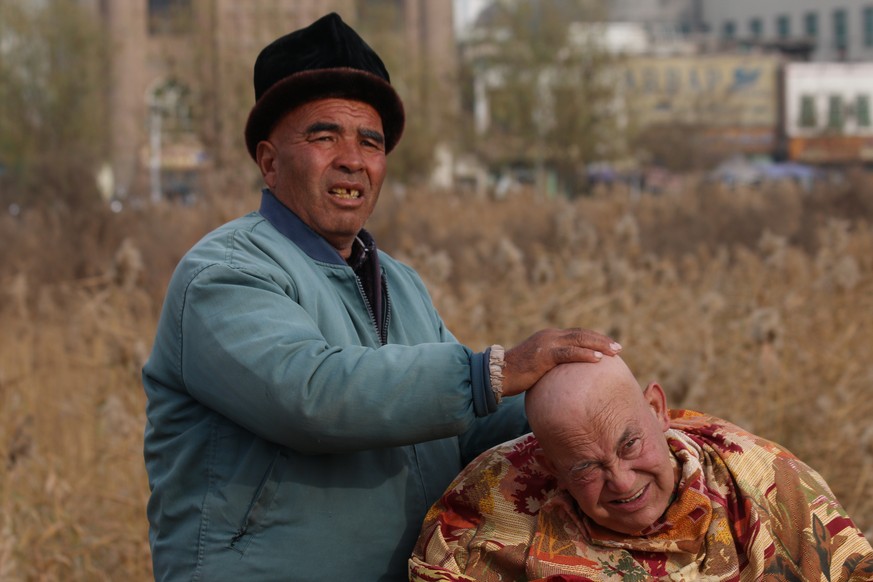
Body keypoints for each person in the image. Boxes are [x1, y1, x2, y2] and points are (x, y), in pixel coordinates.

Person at [141, 12, 621, 582]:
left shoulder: (397, 281)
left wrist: (602, 414)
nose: (353, 158)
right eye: (324, 136)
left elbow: (464, 425)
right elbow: (311, 395)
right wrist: (496, 370)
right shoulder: (226, 274)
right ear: (269, 162)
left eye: (371, 141)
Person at [410, 356, 873, 581]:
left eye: (630, 445)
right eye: (587, 467)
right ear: (551, 465)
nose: (622, 481)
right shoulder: (485, 512)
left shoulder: (765, 481)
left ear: (657, 409)